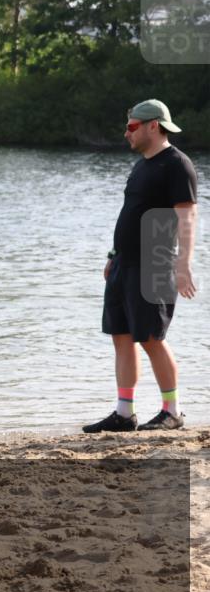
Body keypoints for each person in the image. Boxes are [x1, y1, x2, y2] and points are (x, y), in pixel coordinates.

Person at [84, 99, 198, 433]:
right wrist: (112, 254)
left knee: (151, 338)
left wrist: (183, 263)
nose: (126, 133)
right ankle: (124, 413)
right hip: (124, 265)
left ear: (154, 126)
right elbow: (130, 215)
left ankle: (171, 411)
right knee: (121, 336)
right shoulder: (142, 165)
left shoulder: (177, 164)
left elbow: (187, 216)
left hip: (155, 265)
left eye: (132, 127)